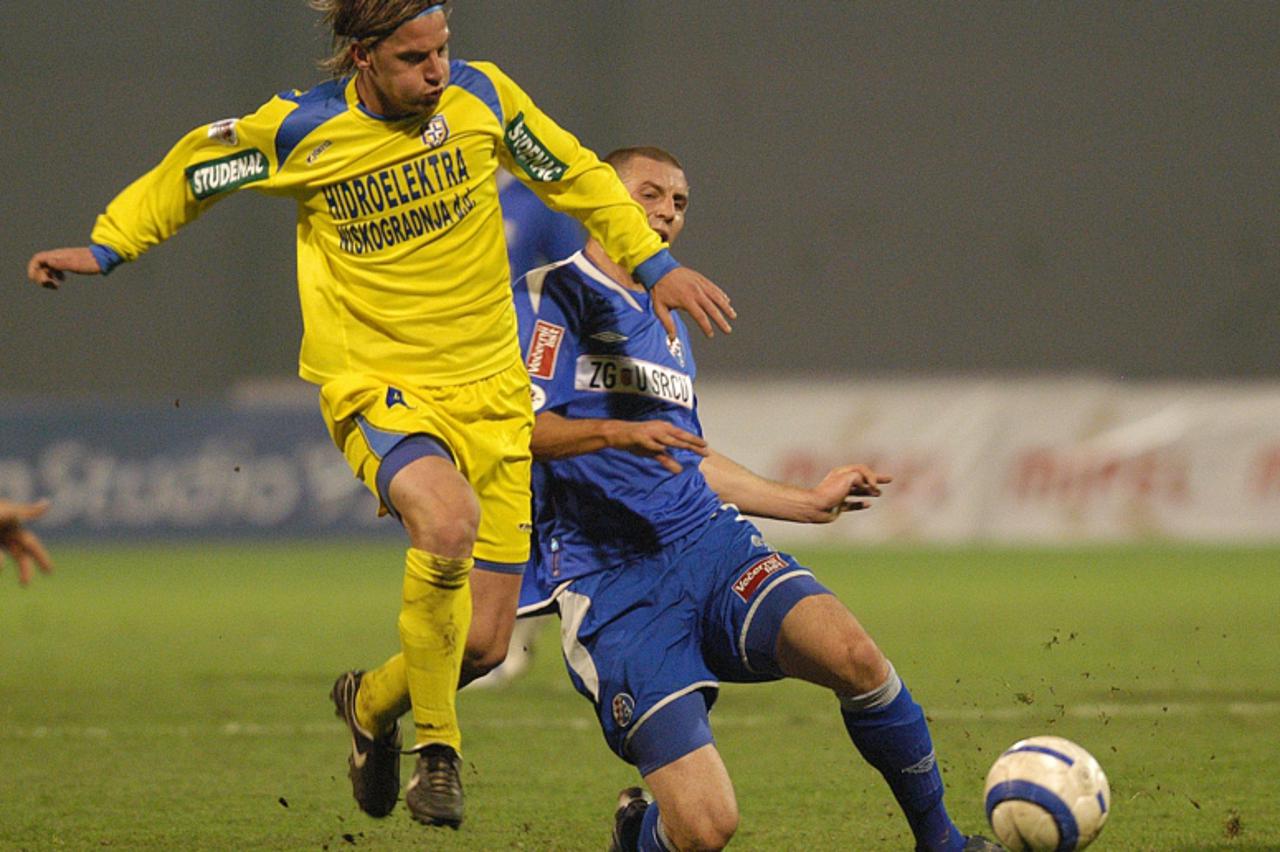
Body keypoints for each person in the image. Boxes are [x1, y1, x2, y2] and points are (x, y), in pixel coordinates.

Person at [25, 1, 735, 831]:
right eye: (413, 57)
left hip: (494, 400)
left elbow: (577, 175)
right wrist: (110, 244)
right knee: (445, 519)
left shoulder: (483, 100)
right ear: (362, 57)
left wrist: (656, 263)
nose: (436, 70)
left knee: (483, 645)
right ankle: (437, 751)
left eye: (442, 50)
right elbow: (196, 169)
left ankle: (370, 705)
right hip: (378, 387)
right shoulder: (301, 131)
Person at [512, 147, 998, 851]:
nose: (667, 212)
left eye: (679, 202)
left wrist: (804, 502)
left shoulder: (669, 318)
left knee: (857, 659)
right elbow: (523, 430)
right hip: (611, 583)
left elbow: (688, 460)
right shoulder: (549, 295)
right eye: (649, 193)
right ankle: (638, 834)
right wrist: (619, 431)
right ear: (598, 200)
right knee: (706, 829)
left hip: (707, 546)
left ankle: (944, 843)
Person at [0, 499, 54, 586]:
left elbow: (10, 513)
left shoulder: (5, 509)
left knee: (44, 564)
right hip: (11, 532)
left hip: (12, 532)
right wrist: (32, 510)